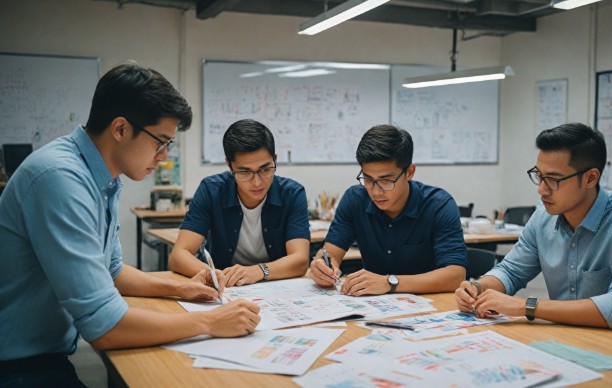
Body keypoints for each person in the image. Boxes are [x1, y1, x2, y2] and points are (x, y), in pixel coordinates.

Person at [0, 62, 260, 387]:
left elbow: (111, 270)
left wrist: (182, 288)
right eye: (160, 142)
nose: (164, 156)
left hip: (43, 357)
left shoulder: (103, 177)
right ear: (120, 129)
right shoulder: (59, 178)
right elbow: (104, 327)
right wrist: (210, 322)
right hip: (17, 367)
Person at [455, 123, 612, 337]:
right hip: (564, 336)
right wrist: (479, 288)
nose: (541, 189)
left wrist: (527, 306)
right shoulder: (543, 218)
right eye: (539, 175)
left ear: (591, 178)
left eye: (553, 180)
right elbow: (510, 271)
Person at [310, 124, 467, 296]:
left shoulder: (439, 205)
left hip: (429, 304)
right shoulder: (355, 199)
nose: (376, 192)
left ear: (409, 172)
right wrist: (321, 266)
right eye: (368, 179)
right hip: (372, 307)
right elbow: (330, 254)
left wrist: (390, 283)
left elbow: (455, 275)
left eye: (386, 181)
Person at [168, 119, 310, 287]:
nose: (257, 182)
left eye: (265, 169)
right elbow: (178, 255)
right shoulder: (211, 190)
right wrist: (215, 275)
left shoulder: (292, 194)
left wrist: (258, 271)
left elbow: (300, 260)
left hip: (274, 285)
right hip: (226, 287)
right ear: (229, 165)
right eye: (244, 172)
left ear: (275, 160)